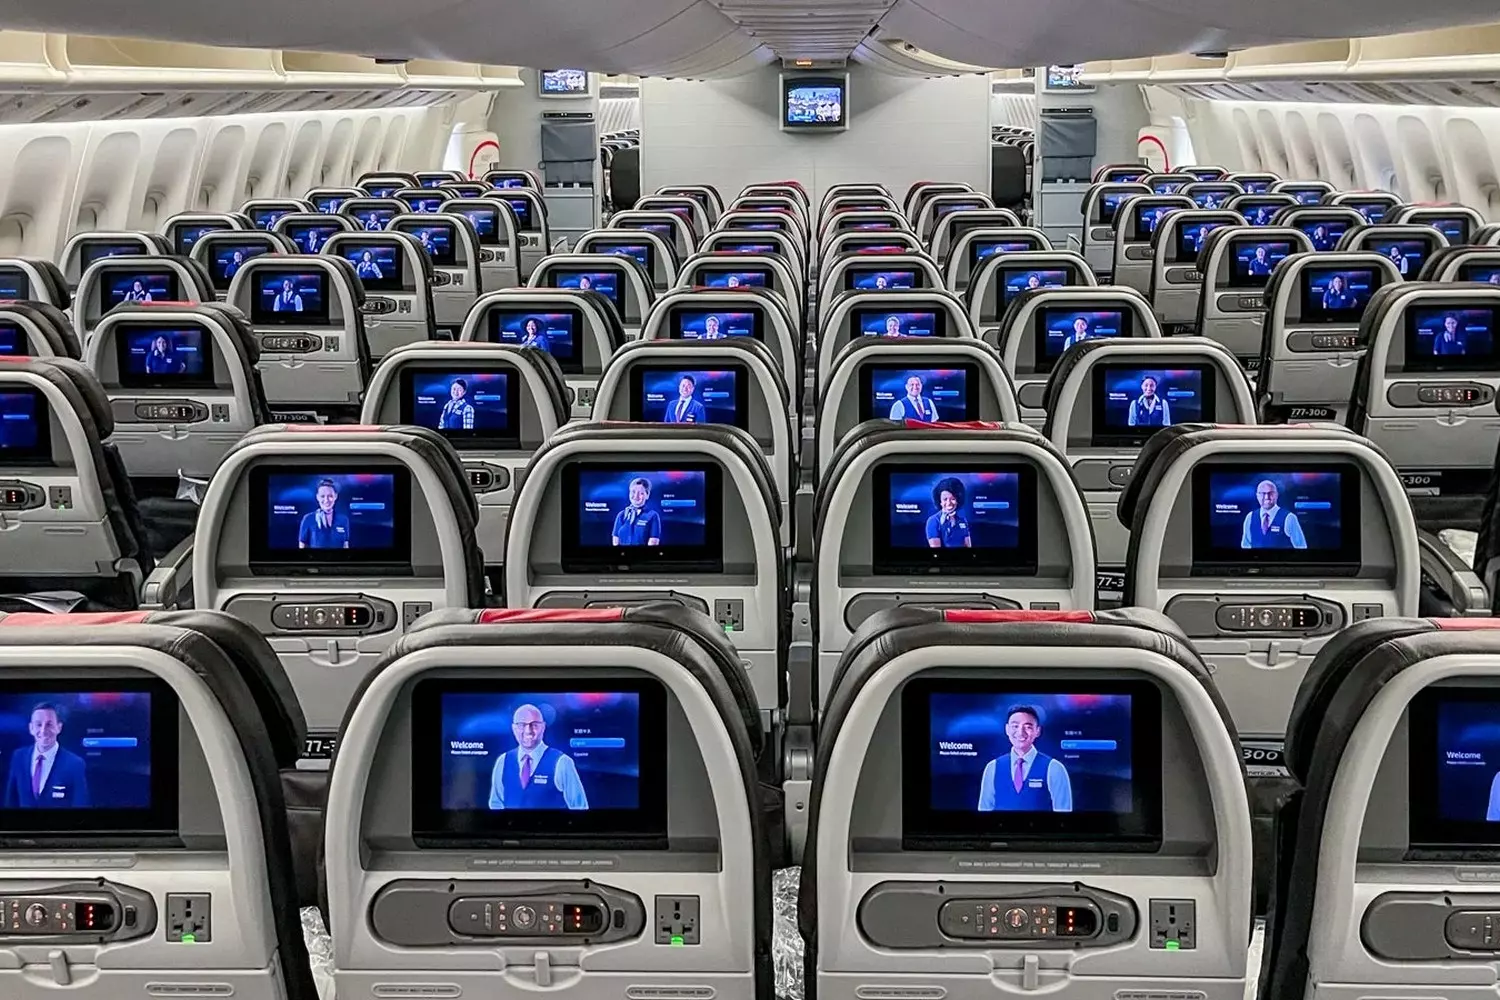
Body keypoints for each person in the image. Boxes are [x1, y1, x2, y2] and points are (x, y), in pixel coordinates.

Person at [487, 703, 588, 810]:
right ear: (514, 728)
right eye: (521, 725)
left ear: (543, 727)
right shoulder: (503, 761)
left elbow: (580, 807)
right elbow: (496, 805)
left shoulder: (562, 762)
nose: (528, 731)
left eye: (534, 725)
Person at [977, 705, 1073, 812]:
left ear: (1037, 731)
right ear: (1007, 729)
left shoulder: (1054, 768)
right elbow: (985, 809)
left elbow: (1063, 811)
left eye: (1028, 727)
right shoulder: (992, 767)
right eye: (1015, 726)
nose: (1020, 732)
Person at [3, 702, 90, 808]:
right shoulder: (18, 757)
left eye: (49, 724)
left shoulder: (75, 764)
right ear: (31, 728)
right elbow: (11, 801)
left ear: (59, 727)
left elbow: (81, 805)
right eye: (39, 724)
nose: (43, 730)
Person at [1240, 479, 1308, 549]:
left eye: (1270, 493)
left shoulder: (1289, 518)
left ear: (1276, 495)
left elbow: (1301, 547)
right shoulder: (1250, 517)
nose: (1267, 497)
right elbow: (1246, 545)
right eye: (1262, 493)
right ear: (1257, 495)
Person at [298, 478, 351, 549]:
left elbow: (345, 544)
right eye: (322, 496)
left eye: (330, 496)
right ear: (317, 497)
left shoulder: (343, 520)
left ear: (335, 496)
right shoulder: (308, 518)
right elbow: (302, 545)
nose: (326, 500)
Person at [611, 477, 662, 546]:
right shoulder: (621, 515)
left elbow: (653, 541)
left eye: (641, 493)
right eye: (633, 492)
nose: (636, 496)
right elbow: (615, 540)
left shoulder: (652, 515)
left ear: (647, 495)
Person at [925, 476, 972, 548]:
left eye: (953, 499)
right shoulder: (933, 521)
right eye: (945, 499)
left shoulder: (962, 520)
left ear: (958, 500)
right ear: (940, 501)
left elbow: (968, 545)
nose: (948, 503)